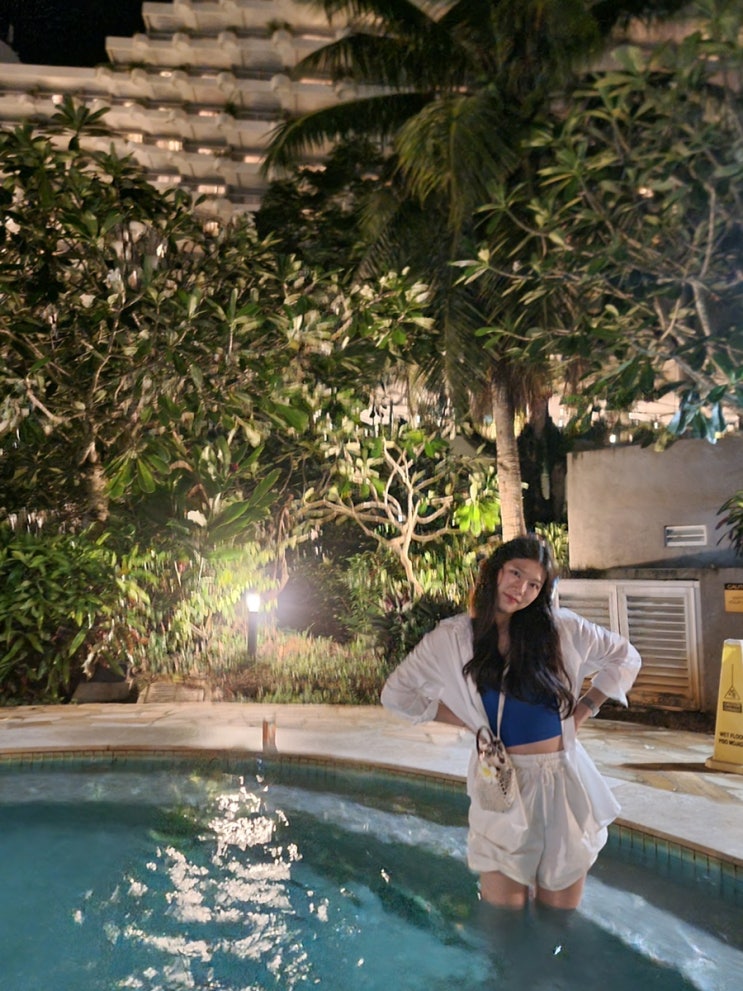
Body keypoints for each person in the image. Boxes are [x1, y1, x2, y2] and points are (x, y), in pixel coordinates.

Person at [381, 534, 641, 911]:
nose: (521, 589)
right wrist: (470, 724)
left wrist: (585, 709)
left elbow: (625, 657)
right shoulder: (453, 637)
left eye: (534, 584)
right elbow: (397, 694)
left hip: (562, 779)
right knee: (503, 918)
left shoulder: (561, 629)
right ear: (495, 571)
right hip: (500, 778)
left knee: (558, 917)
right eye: (516, 574)